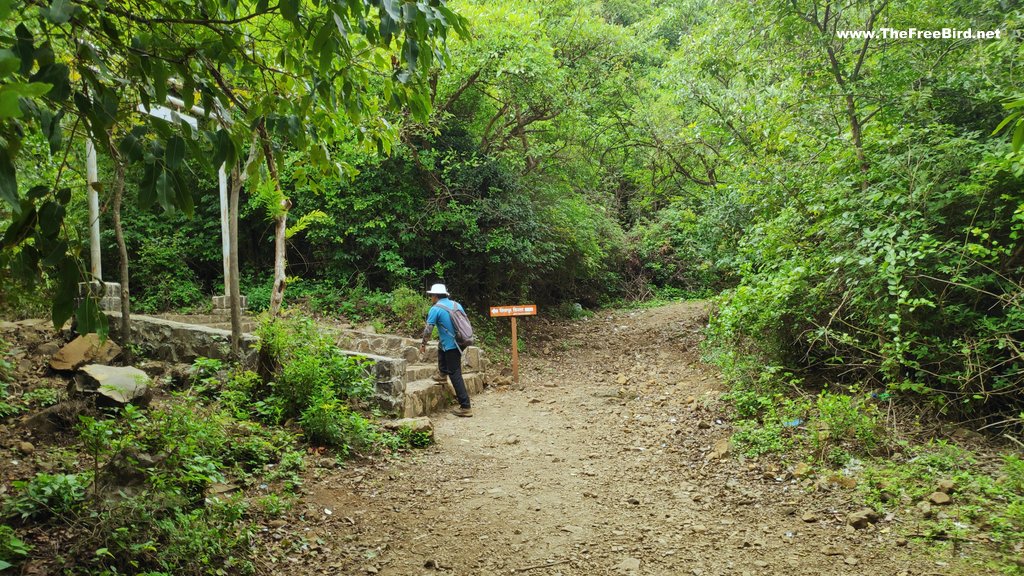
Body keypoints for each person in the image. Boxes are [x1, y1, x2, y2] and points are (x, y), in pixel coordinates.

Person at [420, 283, 473, 417]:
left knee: (455, 373)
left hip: (451, 345)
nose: (431, 297)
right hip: (461, 340)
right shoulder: (456, 305)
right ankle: (442, 374)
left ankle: (465, 406)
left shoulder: (435, 309)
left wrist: (423, 344)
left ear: (436, 296)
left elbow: (428, 329)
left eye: (431, 295)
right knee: (440, 347)